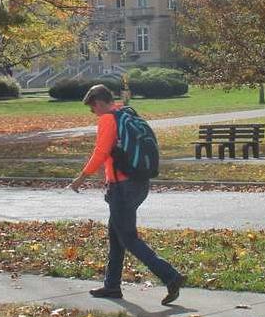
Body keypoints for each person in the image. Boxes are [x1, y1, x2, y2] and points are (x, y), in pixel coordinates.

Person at [69, 84, 185, 305]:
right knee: (116, 237)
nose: (93, 113)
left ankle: (171, 276)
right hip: (139, 183)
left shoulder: (108, 119)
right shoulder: (126, 113)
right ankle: (112, 286)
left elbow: (101, 152)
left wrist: (81, 177)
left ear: (99, 103)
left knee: (128, 238)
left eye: (92, 108)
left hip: (122, 188)